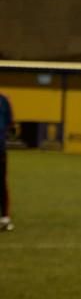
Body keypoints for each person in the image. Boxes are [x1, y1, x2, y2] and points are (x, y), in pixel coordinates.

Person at [0, 93, 13, 231]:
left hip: (0, 149)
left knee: (1, 183)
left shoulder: (3, 100)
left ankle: (5, 217)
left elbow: (9, 122)